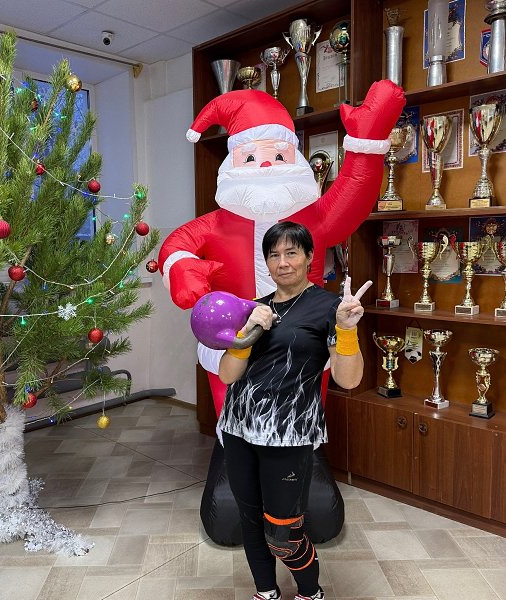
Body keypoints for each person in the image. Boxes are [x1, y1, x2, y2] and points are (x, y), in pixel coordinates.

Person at [159, 80, 405, 418]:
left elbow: (354, 192)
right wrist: (181, 267)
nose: (265, 166)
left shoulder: (314, 218)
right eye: (250, 157)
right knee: (234, 426)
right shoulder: (215, 224)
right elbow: (178, 243)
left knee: (299, 427)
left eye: (278, 155)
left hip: (301, 349)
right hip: (234, 347)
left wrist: (367, 141)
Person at [217, 222, 371, 600]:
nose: (282, 262)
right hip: (238, 428)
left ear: (308, 257)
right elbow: (228, 374)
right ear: (266, 263)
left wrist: (346, 329)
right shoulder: (256, 306)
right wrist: (244, 334)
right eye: (274, 255)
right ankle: (266, 591)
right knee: (250, 519)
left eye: (291, 253)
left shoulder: (330, 308)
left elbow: (349, 379)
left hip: (288, 434)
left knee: (283, 532)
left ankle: (309, 592)